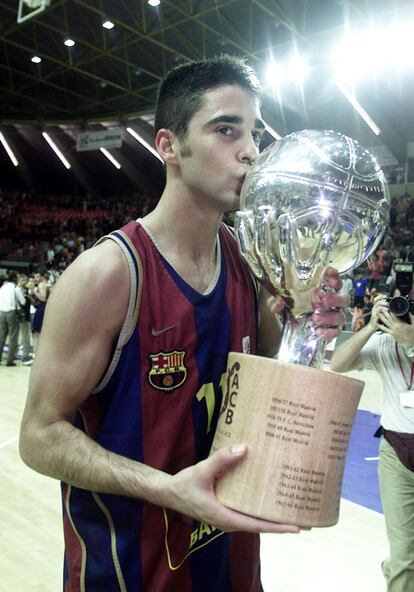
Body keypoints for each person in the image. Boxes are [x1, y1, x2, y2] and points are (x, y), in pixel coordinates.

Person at [19, 55, 346, 591]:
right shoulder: (109, 274)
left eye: (254, 133)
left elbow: (264, 388)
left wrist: (310, 327)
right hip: (130, 572)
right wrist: (168, 489)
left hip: (232, 566)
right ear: (169, 146)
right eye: (226, 130)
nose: (251, 151)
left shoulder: (249, 264)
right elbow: (38, 436)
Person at [331, 294, 414, 592]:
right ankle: (400, 570)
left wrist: (411, 343)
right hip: (396, 455)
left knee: (404, 559)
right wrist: (369, 327)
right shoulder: (382, 345)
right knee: (406, 555)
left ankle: (396, 569)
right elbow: (338, 364)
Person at [0, 271, 25, 366]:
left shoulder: (3, 287)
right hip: (12, 312)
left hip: (1, 312)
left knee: (1, 336)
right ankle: (10, 360)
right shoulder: (16, 288)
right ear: (15, 278)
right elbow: (22, 302)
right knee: (13, 337)